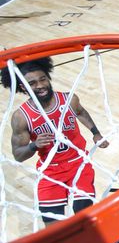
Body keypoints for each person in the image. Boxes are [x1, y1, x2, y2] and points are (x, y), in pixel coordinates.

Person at [1, 57, 108, 220]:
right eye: (33, 83)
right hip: (50, 171)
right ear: (23, 87)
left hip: (78, 163)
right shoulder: (21, 117)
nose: (41, 85)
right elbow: (18, 155)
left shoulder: (69, 99)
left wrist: (96, 133)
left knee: (83, 215)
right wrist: (34, 145)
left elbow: (80, 112)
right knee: (51, 223)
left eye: (43, 79)